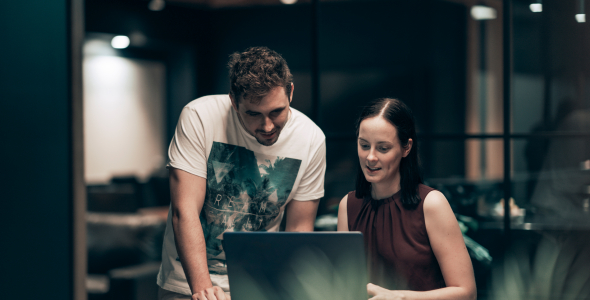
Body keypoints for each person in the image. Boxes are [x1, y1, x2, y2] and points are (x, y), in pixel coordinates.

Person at [157, 47, 326, 300]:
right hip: (186, 283)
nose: (268, 126)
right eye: (254, 114)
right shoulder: (199, 116)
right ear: (234, 101)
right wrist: (203, 290)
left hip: (259, 284)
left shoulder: (311, 139)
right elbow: (185, 212)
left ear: (290, 92)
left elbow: (299, 229)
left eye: (277, 112)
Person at [337, 98, 476, 300]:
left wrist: (398, 298)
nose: (371, 157)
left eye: (383, 148)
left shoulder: (432, 204)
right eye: (364, 145)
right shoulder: (348, 206)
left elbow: (467, 293)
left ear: (406, 147)